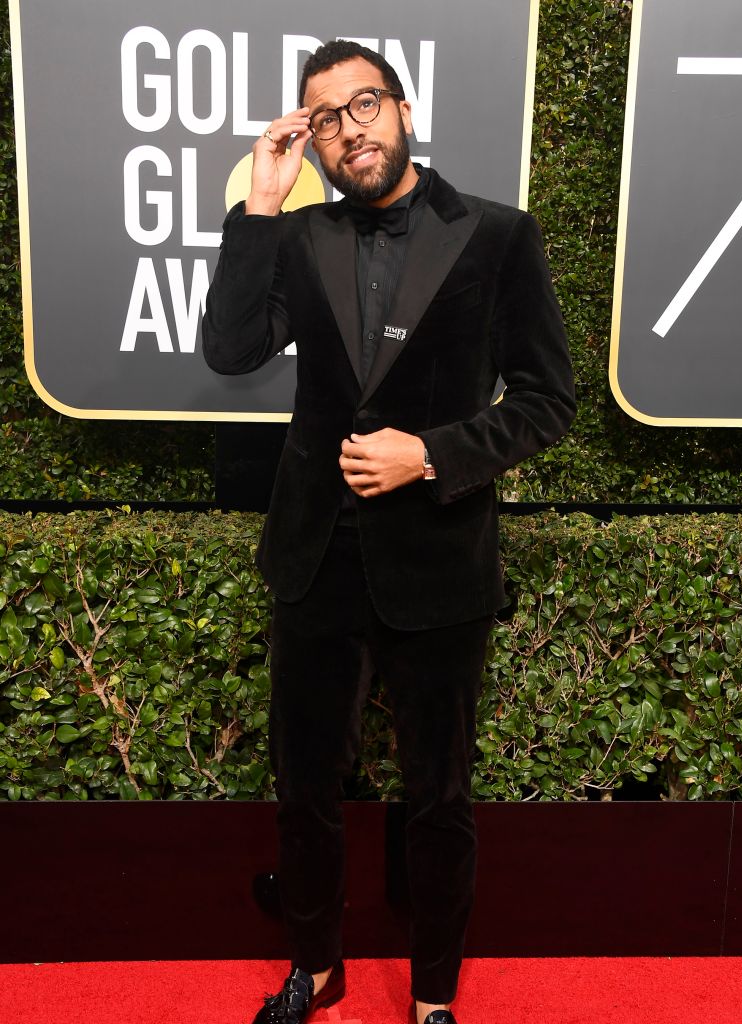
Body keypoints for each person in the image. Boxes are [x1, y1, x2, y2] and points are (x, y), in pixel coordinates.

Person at [202, 40, 575, 1024]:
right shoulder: (296, 234)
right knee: (305, 787)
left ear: (402, 109)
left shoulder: (498, 236)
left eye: (362, 103)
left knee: (438, 796)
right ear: (309, 138)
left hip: (438, 558)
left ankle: (433, 996)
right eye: (323, 117)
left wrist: (435, 453)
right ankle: (314, 969)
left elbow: (546, 401)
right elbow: (232, 348)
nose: (346, 126)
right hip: (315, 554)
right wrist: (260, 205)